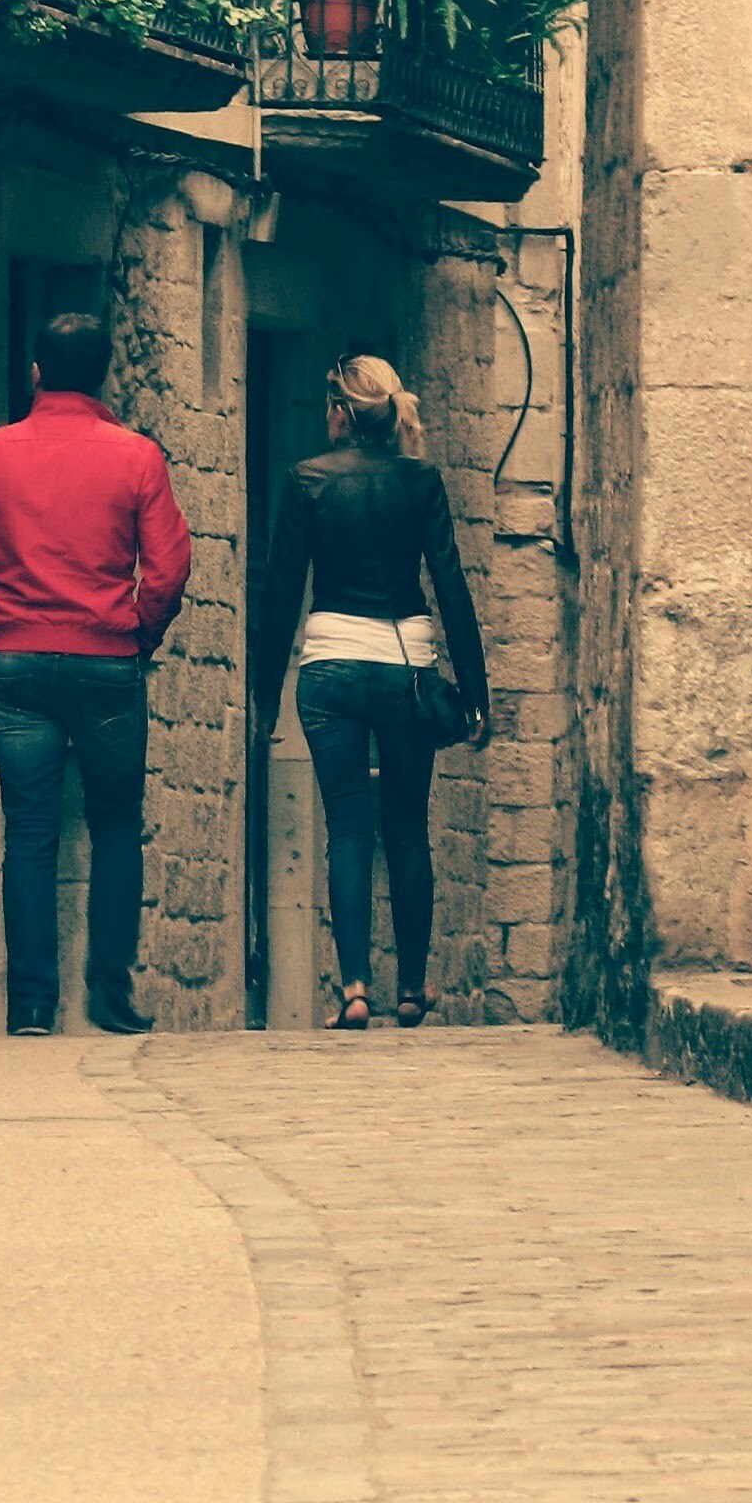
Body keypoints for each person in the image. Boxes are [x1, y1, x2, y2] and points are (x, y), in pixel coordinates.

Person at [0, 311, 192, 1037]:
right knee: (116, 825)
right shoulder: (138, 457)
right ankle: (110, 996)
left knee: (30, 832)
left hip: (16, 661)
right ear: (104, 374)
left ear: (37, 372)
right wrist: (137, 628)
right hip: (108, 659)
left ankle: (31, 1005)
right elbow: (169, 564)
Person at [253, 352, 490, 1030]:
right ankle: (412, 986)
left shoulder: (307, 481)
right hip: (405, 669)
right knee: (408, 826)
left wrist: (266, 699)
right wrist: (475, 694)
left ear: (339, 411)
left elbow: (279, 595)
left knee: (348, 828)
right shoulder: (421, 481)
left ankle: (354, 986)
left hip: (329, 668)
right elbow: (451, 584)